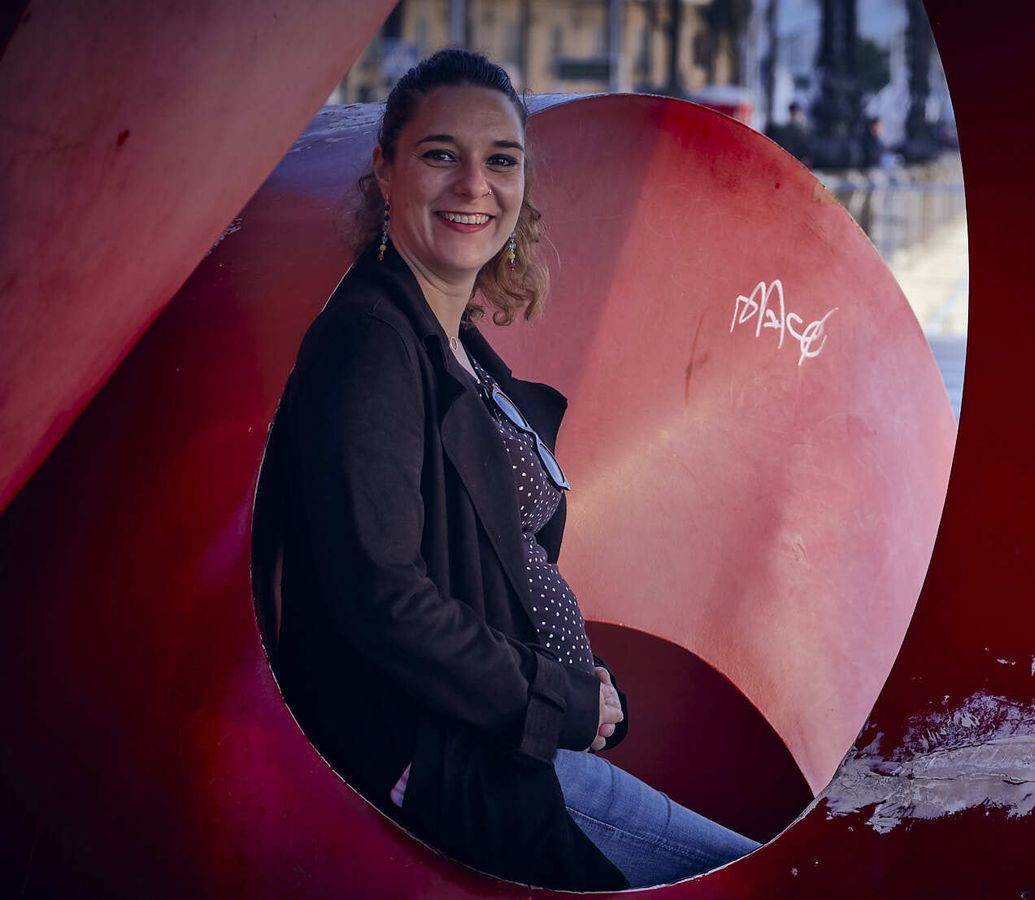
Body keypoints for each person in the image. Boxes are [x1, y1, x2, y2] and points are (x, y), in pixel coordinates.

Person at [252, 49, 758, 891]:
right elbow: (382, 596)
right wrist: (554, 698)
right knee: (753, 876)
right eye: (440, 154)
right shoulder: (372, 342)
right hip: (461, 757)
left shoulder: (450, 337)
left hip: (514, 738)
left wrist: (574, 687)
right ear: (384, 171)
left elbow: (487, 561)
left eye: (501, 160)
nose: (473, 185)